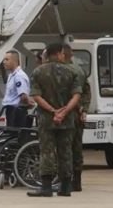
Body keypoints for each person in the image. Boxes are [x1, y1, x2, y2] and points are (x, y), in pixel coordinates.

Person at [27, 43, 82, 198]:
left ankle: (46, 187)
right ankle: (65, 187)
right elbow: (77, 95)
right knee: (66, 152)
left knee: (46, 152)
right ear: (58, 53)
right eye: (63, 53)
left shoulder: (38, 72)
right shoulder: (72, 71)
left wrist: (53, 111)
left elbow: (36, 96)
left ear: (48, 54)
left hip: (47, 119)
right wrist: (65, 111)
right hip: (67, 120)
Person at [60, 44, 90, 192]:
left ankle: (65, 180)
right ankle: (76, 181)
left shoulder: (64, 71)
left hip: (66, 113)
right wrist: (84, 109)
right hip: (77, 114)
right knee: (76, 148)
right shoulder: (80, 71)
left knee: (65, 148)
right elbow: (86, 92)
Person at [1, 50, 33, 128]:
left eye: (7, 60)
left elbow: (23, 96)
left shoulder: (19, 76)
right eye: (4, 60)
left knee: (14, 136)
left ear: (14, 61)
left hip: (16, 112)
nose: (4, 62)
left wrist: (29, 103)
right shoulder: (12, 75)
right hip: (11, 111)